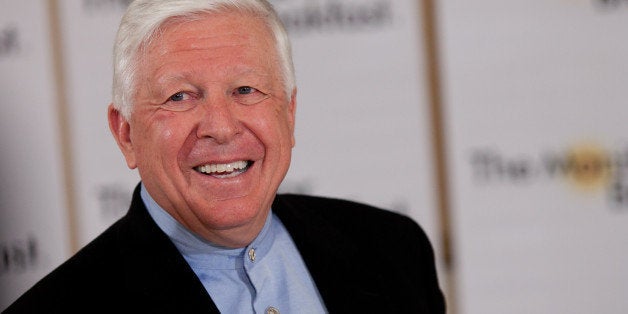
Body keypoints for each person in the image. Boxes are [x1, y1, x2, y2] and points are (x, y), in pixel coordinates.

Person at [4, 0, 445, 313]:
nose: (221, 126)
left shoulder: (395, 250)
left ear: (288, 113)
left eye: (246, 90)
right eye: (179, 97)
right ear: (126, 134)